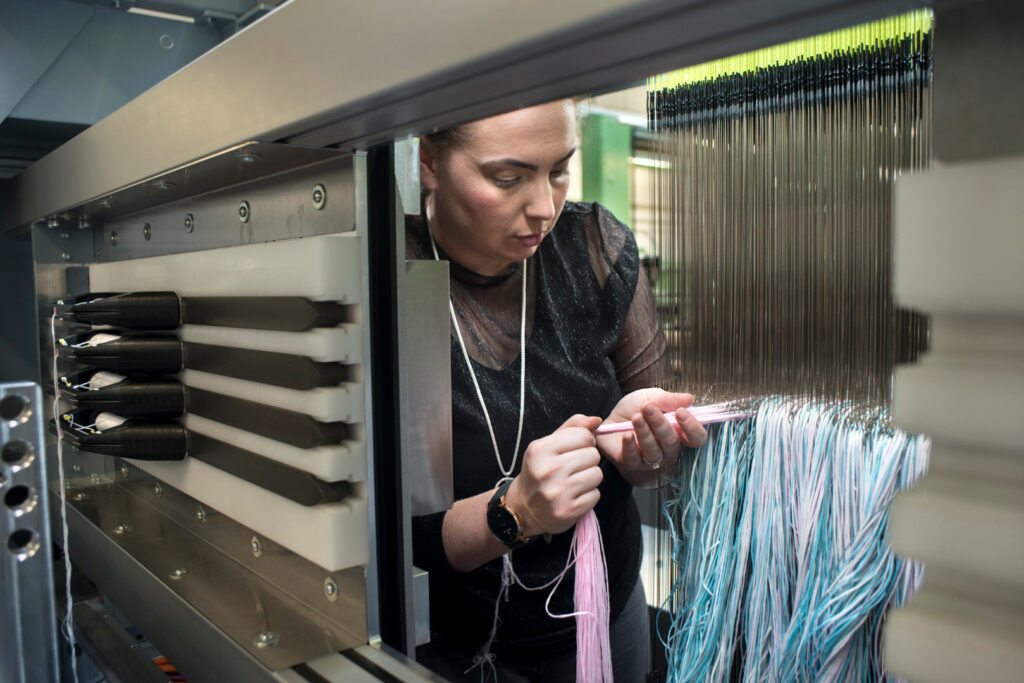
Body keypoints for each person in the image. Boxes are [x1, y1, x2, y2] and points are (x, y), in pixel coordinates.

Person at [409, 99, 707, 682]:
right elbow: (392, 537)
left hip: (604, 610)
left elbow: (654, 464)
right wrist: (514, 511)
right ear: (429, 161)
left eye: (560, 169)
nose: (544, 208)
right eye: (507, 178)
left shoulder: (595, 249)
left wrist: (640, 448)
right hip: (451, 641)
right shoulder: (394, 276)